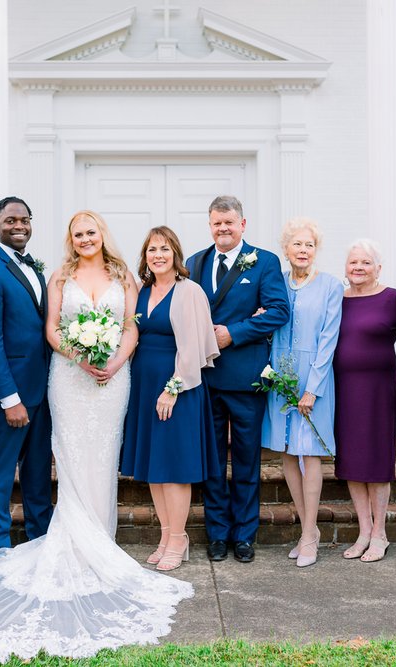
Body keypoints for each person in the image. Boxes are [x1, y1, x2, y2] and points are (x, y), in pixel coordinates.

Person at [0, 211, 193, 660]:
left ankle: (99, 540)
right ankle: (52, 541)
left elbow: (132, 325)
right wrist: (80, 354)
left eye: (91, 232)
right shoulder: (58, 275)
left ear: (102, 235)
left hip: (113, 380)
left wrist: (114, 362)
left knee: (100, 457)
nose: (85, 238)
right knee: (70, 458)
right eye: (78, 233)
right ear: (70, 239)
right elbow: (51, 329)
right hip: (69, 378)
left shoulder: (123, 276)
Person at [186, 195, 290, 564]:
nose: (223, 229)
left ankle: (245, 535)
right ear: (210, 225)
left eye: (229, 222)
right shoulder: (194, 262)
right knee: (212, 461)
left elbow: (279, 310)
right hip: (206, 378)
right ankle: (217, 534)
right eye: (216, 223)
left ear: (242, 224)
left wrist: (235, 331)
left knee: (246, 460)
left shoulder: (265, 262)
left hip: (246, 378)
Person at [122, 226, 220, 571]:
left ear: (175, 253)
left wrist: (172, 388)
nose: (158, 255)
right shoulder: (141, 290)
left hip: (178, 388)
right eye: (152, 250)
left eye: (164, 248)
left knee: (175, 469)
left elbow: (193, 348)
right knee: (155, 468)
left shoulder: (188, 291)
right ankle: (166, 535)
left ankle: (179, 537)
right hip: (144, 385)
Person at [0, 196, 53, 551]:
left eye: (24, 219)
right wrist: (9, 398)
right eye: (10, 220)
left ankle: (40, 538)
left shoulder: (35, 267)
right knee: (2, 471)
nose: (19, 226)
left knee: (37, 472)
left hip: (41, 388)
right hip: (12, 395)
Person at [260, 218, 342, 568]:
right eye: (297, 244)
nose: (303, 250)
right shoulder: (275, 282)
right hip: (280, 376)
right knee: (288, 454)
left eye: (309, 244)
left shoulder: (330, 286)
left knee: (310, 456)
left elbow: (329, 339)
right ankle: (306, 531)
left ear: (316, 249)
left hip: (313, 377)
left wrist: (313, 388)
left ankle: (310, 533)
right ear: (286, 249)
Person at [333, 239, 396, 563]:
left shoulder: (393, 299)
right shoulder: (337, 299)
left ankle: (380, 534)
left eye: (365, 262)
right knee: (351, 460)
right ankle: (364, 530)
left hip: (378, 389)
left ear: (378, 268)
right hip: (343, 388)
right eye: (353, 263)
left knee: (376, 461)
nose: (358, 268)